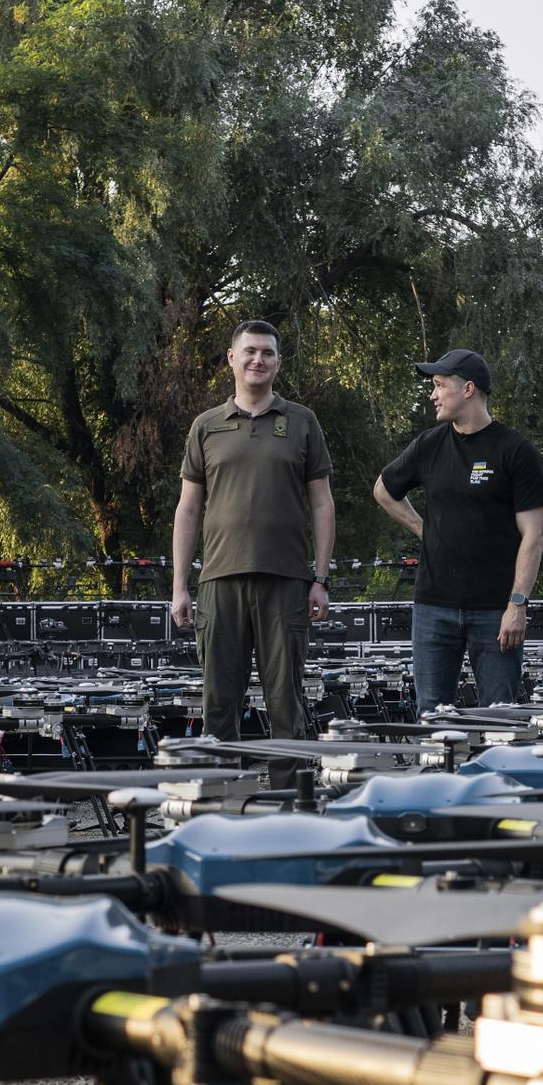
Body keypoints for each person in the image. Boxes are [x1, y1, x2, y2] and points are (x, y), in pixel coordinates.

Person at [171, 321, 335, 781]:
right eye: (249, 351)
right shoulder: (206, 426)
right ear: (232, 358)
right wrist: (180, 586)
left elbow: (322, 503)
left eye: (267, 353)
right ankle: (222, 800)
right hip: (219, 581)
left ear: (278, 363)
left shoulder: (302, 422)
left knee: (286, 703)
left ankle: (290, 802)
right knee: (219, 704)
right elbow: (188, 508)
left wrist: (320, 579)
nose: (257, 360)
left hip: (287, 581)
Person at [373, 348, 543, 710]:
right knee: (432, 715)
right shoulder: (429, 445)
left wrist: (517, 604)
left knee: (499, 717)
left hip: (495, 610)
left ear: (468, 389)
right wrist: (425, 530)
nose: (433, 395)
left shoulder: (515, 451)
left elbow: (534, 535)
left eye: (439, 385)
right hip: (433, 607)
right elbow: (383, 491)